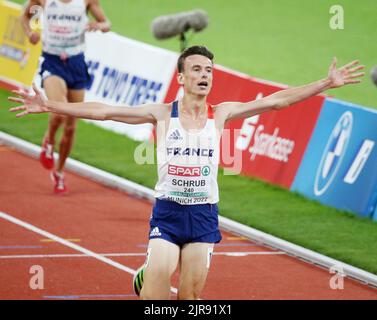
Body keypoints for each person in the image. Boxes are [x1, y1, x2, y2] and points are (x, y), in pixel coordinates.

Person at [9, 46, 364, 299]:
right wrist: (51, 104)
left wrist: (326, 83)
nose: (204, 75)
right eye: (196, 69)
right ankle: (147, 274)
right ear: (181, 77)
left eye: (209, 70)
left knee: (191, 298)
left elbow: (277, 101)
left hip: (204, 215)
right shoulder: (163, 113)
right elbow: (105, 112)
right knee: (156, 295)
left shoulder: (221, 113)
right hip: (169, 213)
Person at [21, 0, 111, 194]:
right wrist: (30, 34)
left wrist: (99, 26)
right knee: (58, 110)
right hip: (52, 61)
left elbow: (107, 24)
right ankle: (49, 139)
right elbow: (24, 16)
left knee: (71, 126)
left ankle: (59, 172)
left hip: (76, 62)